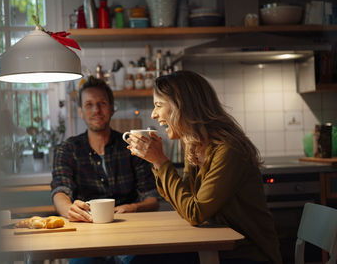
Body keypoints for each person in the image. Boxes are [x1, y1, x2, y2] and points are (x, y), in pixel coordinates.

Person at [125, 70, 282, 264]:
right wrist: (156, 162)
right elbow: (184, 199)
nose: (154, 114)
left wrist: (160, 161)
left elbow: (194, 213)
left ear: (184, 107)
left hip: (249, 253)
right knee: (139, 260)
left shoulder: (228, 150)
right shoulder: (195, 145)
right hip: (217, 246)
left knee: (141, 262)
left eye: (159, 105)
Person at [50, 76, 160, 264]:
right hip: (86, 236)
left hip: (130, 234)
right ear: (81, 112)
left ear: (112, 108)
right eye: (89, 105)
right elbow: (60, 191)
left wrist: (133, 208)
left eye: (102, 103)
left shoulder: (131, 147)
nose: (96, 110)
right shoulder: (67, 149)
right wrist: (69, 210)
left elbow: (152, 199)